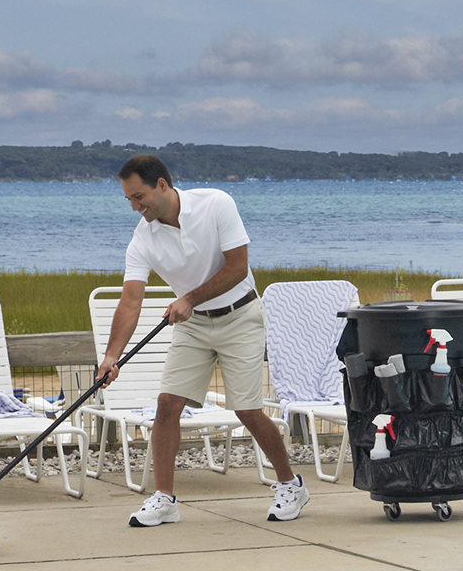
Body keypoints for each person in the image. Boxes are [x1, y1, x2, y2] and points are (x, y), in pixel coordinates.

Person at [96, 154, 306, 528]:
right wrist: (112, 356)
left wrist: (189, 299)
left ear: (162, 185)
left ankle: (291, 484)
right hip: (194, 326)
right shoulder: (142, 238)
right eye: (128, 199)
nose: (134, 206)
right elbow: (131, 300)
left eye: (138, 196)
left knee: (247, 409)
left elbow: (238, 267)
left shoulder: (216, 203)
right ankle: (165, 499)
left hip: (240, 314)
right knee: (167, 404)